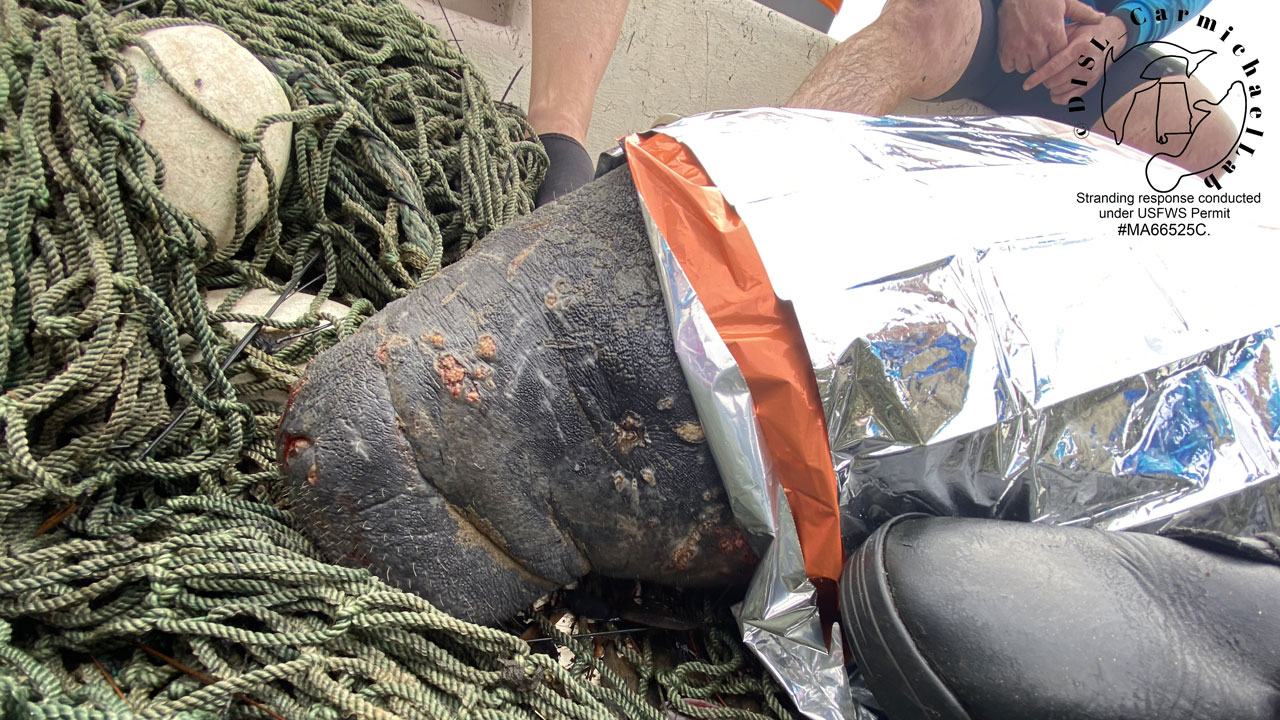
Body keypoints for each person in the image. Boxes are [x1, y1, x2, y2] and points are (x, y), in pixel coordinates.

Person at [529, 0, 1232, 206]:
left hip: (1092, 45)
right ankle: (738, 189)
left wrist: (1123, 29)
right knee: (925, 19)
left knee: (1211, 142)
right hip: (986, 16)